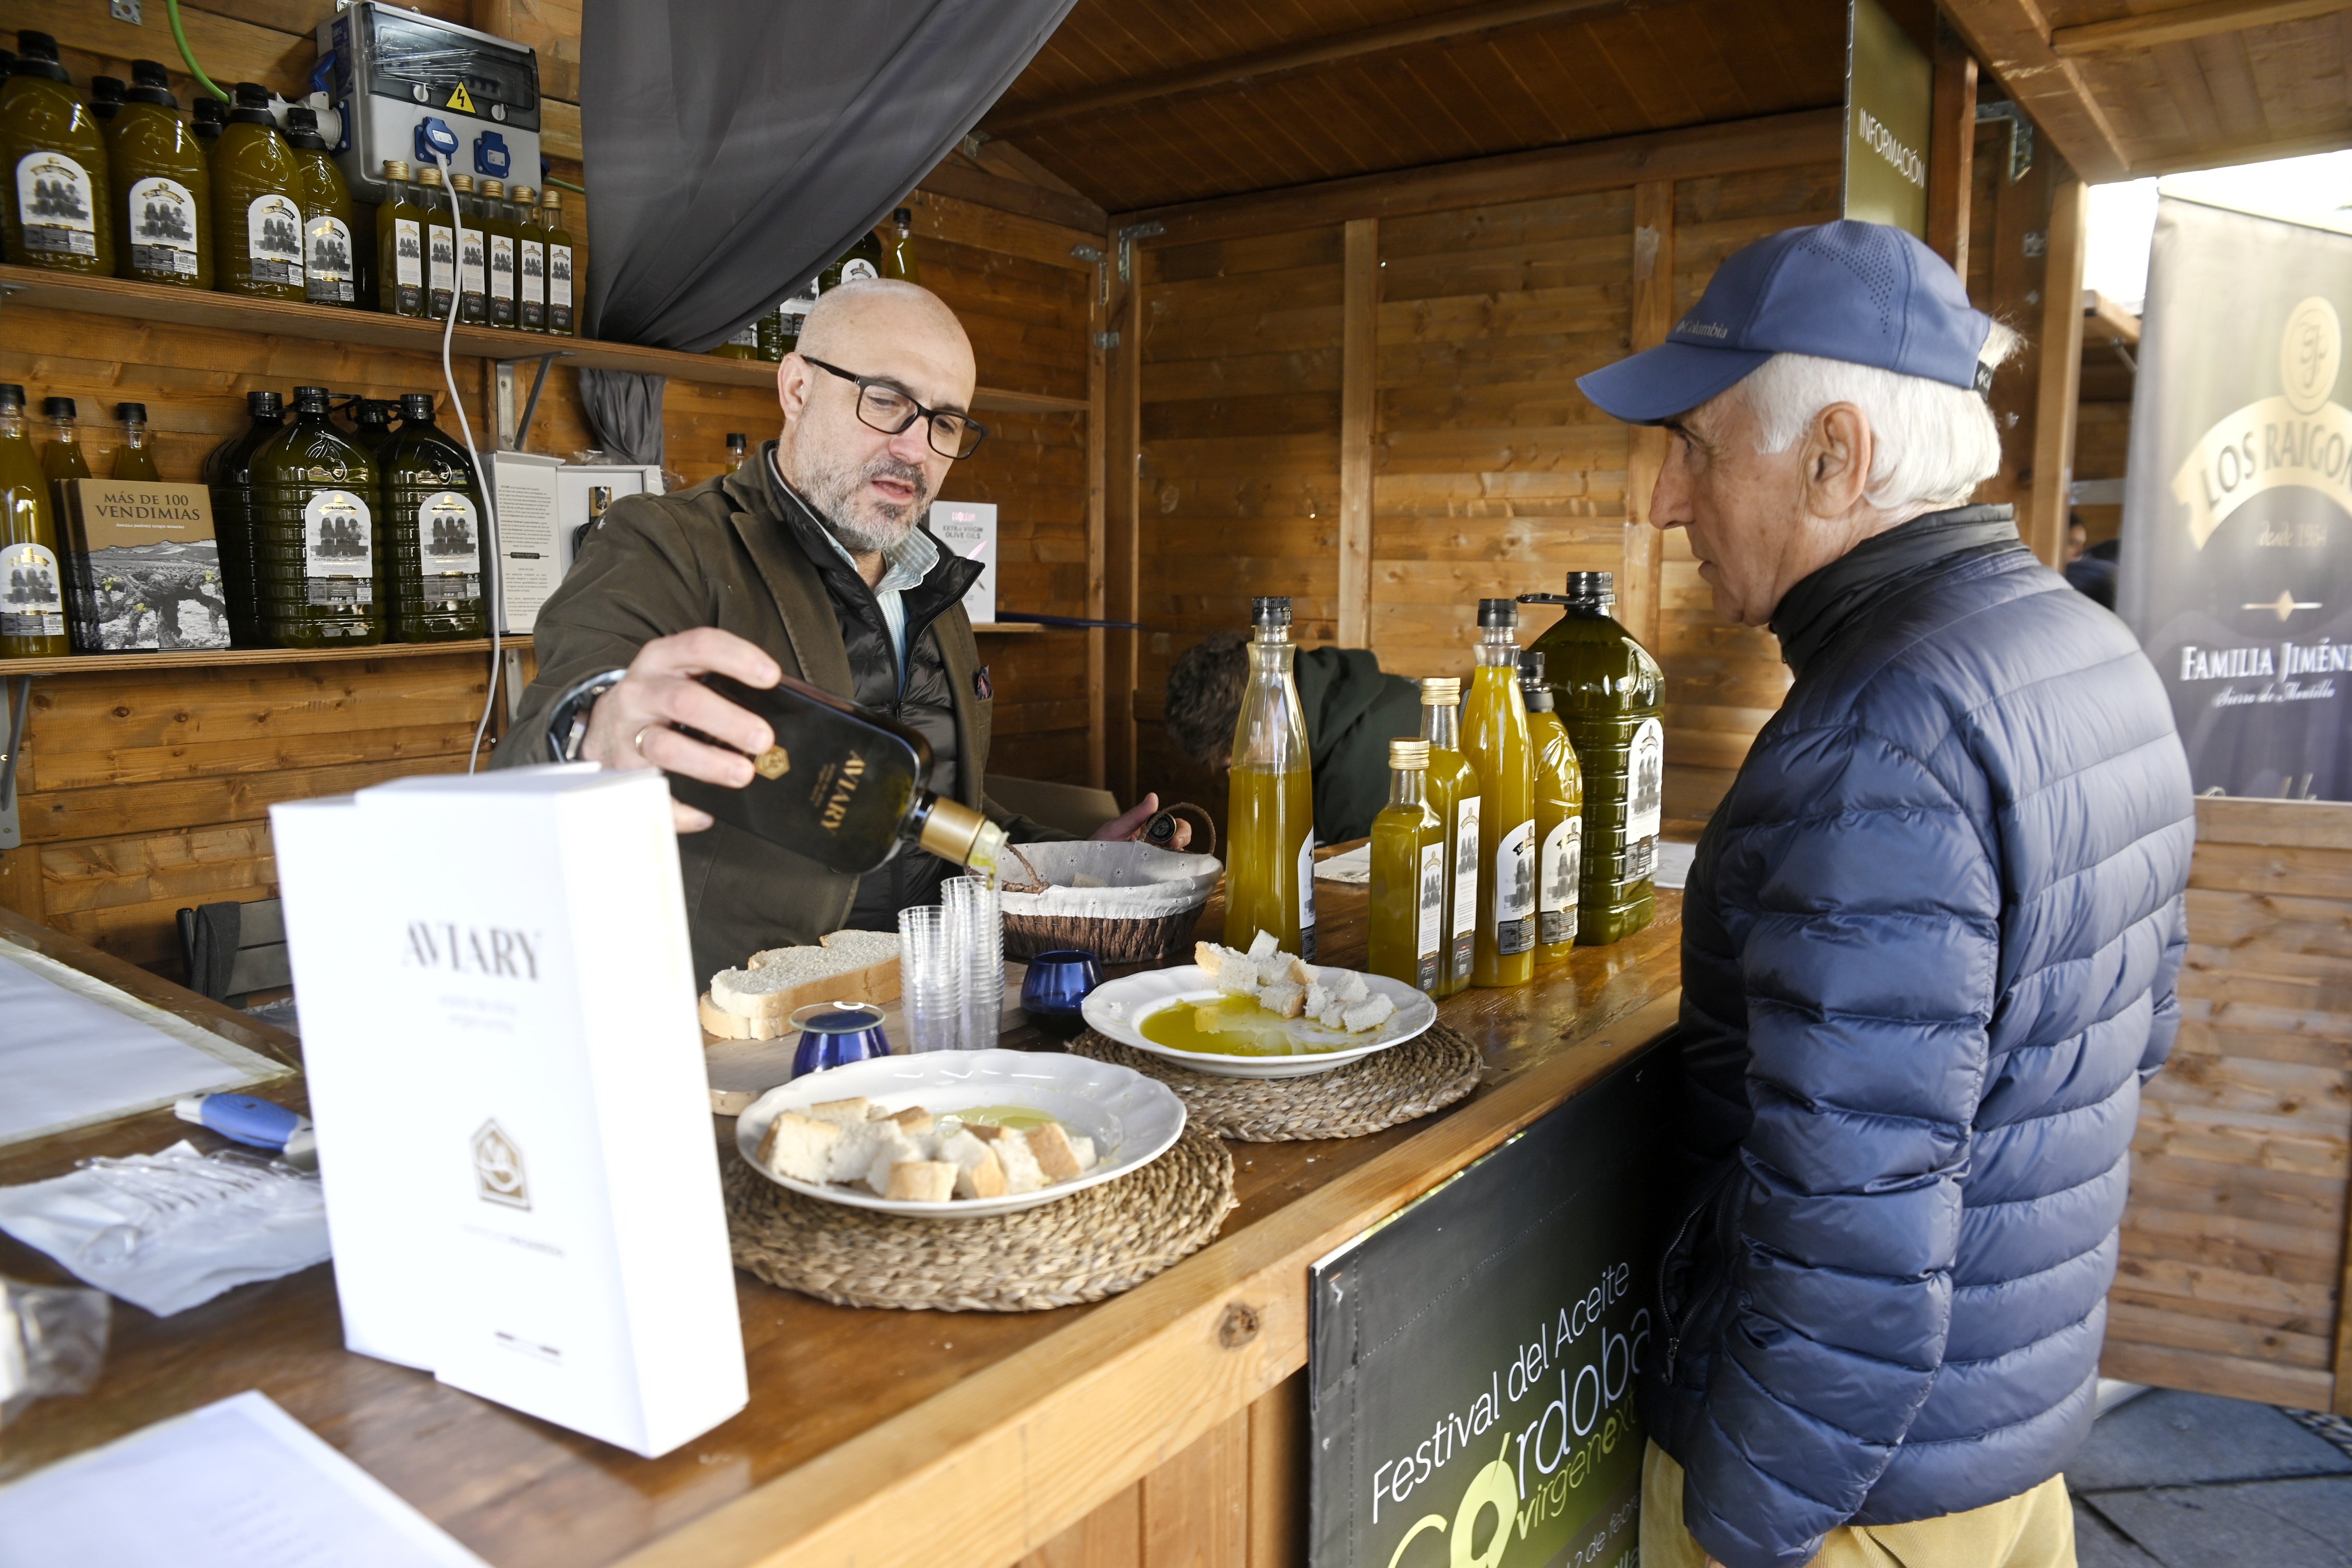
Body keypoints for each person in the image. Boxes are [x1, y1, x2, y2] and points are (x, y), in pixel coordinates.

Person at [1576, 221, 2193, 1568]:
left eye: (1692, 445)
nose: (1662, 503)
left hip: (1855, 1503)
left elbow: (1848, 1242)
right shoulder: (2098, 659)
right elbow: (2131, 1045)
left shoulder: (1879, 743)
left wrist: (1738, 1528)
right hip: (2012, 1452)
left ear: (1835, 457)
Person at [504, 279, 1184, 981]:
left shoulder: (932, 585)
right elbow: (535, 750)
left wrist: (1073, 854)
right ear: (797, 388)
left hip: (940, 991)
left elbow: (934, 810)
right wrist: (589, 734)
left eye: (945, 422)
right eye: (886, 401)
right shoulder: (667, 545)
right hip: (749, 1023)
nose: (915, 448)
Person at [1163, 635, 1424, 842]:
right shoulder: (1328, 686)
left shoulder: (1357, 788)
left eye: (1238, 758)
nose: (1236, 776)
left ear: (1265, 708)